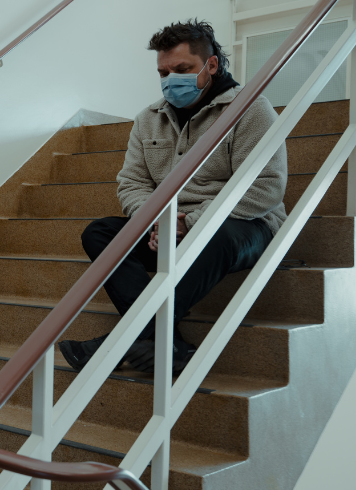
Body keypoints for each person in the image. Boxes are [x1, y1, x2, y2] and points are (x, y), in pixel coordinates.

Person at [58, 20, 287, 376]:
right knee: (99, 232)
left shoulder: (251, 109)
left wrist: (191, 223)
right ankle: (167, 346)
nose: (170, 80)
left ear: (211, 65)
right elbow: (131, 183)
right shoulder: (147, 119)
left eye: (182, 70)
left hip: (241, 226)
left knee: (218, 235)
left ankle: (121, 342)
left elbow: (264, 188)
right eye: (163, 72)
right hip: (165, 226)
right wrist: (157, 221)